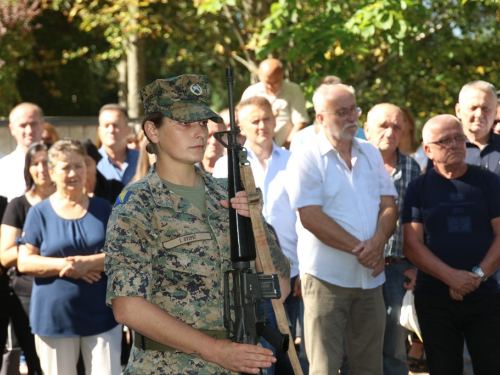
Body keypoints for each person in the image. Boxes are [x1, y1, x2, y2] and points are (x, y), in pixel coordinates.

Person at [103, 74, 291, 375]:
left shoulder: (229, 194)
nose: (199, 134)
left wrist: (257, 230)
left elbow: (280, 288)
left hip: (240, 364)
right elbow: (128, 306)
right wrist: (216, 351)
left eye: (202, 123)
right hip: (168, 367)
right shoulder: (138, 203)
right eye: (184, 123)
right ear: (153, 130)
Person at [285, 83, 398, 374]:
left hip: (370, 279)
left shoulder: (371, 153)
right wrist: (365, 250)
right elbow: (310, 216)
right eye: (342, 112)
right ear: (321, 118)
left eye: (354, 110)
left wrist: (377, 244)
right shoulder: (305, 156)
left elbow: (389, 205)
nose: (352, 118)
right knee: (323, 366)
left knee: (370, 367)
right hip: (326, 279)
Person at [402, 114, 500, 375]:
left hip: (485, 293)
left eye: (459, 138)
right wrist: (452, 278)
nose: (455, 145)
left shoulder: (489, 182)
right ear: (428, 150)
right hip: (434, 297)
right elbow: (411, 244)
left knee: (492, 365)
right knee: (443, 368)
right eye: (445, 141)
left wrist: (476, 277)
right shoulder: (418, 188)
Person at [17, 139, 121, 375]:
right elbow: (25, 261)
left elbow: (123, 255)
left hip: (102, 314)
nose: (73, 173)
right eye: (65, 167)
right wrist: (69, 265)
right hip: (54, 318)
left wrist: (89, 263)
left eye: (79, 165)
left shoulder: (104, 208)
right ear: (52, 173)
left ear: (87, 169)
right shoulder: (38, 213)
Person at [212, 96, 300, 374]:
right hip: (248, 281)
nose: (262, 126)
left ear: (276, 122)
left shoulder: (294, 161)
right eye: (255, 121)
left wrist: (303, 271)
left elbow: (305, 218)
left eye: (267, 119)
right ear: (241, 127)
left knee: (296, 357)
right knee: (262, 359)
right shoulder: (226, 165)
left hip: (293, 274)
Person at [363, 103, 421, 375]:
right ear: (367, 129)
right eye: (383, 125)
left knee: (395, 350)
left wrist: (417, 267)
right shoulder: (354, 163)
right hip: (360, 264)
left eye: (397, 127)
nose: (390, 132)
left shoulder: (412, 167)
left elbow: (421, 223)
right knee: (359, 343)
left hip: (399, 267)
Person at [0, 142, 56, 375]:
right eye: (35, 163)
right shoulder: (17, 205)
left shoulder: (75, 203)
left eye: (47, 162)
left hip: (68, 289)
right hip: (27, 294)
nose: (42, 168)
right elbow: (5, 256)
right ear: (28, 169)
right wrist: (32, 242)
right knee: (36, 364)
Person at [241, 58, 309, 148]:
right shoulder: (251, 92)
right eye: (267, 82)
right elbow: (243, 123)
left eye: (275, 81)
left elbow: (301, 122)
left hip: (288, 147)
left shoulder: (293, 90)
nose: (271, 86)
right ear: (260, 76)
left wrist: (286, 147)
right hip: (257, 148)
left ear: (282, 75)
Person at [0, 103, 44, 201]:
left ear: (42, 126)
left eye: (34, 124)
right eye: (23, 125)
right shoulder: (3, 168)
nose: (29, 130)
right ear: (12, 129)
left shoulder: (57, 164)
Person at [97, 104, 139, 185]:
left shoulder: (141, 160)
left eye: (115, 125)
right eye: (106, 126)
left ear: (128, 130)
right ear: (99, 131)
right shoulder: (91, 163)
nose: (111, 130)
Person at [80, 138, 124, 204]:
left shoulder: (114, 189)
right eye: (78, 164)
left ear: (96, 163)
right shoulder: (70, 193)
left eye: (87, 162)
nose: (83, 167)